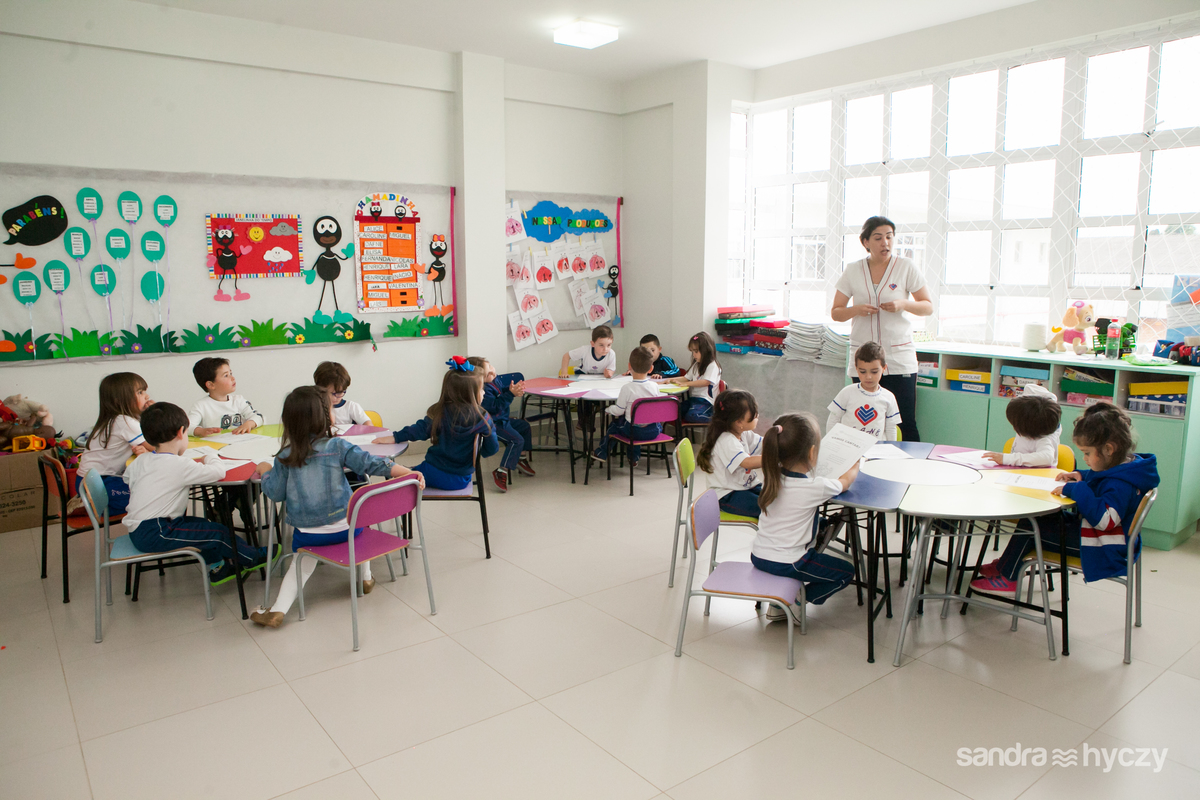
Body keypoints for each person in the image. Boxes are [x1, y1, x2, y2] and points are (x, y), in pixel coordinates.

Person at [250, 386, 423, 628]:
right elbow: (371, 463)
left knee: (302, 562)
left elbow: (275, 493)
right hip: (349, 529)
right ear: (325, 416)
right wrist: (408, 472)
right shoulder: (337, 446)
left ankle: (278, 610)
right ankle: (366, 578)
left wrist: (266, 471)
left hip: (309, 536)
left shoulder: (285, 456)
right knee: (362, 518)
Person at [971, 403, 1159, 593]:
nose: (1084, 458)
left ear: (1109, 449)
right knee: (1036, 519)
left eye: (1087, 453)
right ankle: (1005, 565)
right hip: (1097, 536)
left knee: (1032, 528)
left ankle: (1008, 577)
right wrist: (1081, 475)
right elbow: (1104, 477)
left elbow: (1105, 520)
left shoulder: (1121, 484)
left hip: (1104, 548)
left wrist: (1079, 489)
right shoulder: (1125, 468)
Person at [122, 402, 274, 586]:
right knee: (217, 533)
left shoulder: (141, 460)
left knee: (203, 526)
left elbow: (127, 478)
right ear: (181, 432)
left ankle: (218, 567)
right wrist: (210, 456)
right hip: (157, 531)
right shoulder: (179, 464)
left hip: (140, 528)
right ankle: (253, 558)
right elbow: (218, 472)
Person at [831, 216, 933, 441]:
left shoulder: (906, 267)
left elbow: (928, 307)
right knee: (862, 422)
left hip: (898, 358)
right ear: (865, 242)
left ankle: (908, 463)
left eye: (889, 237)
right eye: (878, 238)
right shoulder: (853, 270)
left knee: (904, 422)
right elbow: (836, 312)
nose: (885, 242)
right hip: (865, 360)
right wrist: (856, 309)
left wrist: (903, 304)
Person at [751, 412, 860, 622]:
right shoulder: (814, 487)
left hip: (759, 555)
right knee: (846, 572)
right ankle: (795, 601)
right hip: (790, 562)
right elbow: (846, 482)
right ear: (812, 453)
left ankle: (779, 603)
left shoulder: (771, 478)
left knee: (820, 526)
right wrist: (855, 463)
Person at [373, 357, 499, 490]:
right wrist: (480, 450)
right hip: (461, 479)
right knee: (407, 473)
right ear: (471, 394)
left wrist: (396, 437)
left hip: (432, 471)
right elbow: (492, 449)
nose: (484, 392)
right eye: (481, 389)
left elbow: (419, 430)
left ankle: (378, 491)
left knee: (398, 476)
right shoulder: (483, 418)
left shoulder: (441, 412)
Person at [76, 372, 152, 514]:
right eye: (140, 392)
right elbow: (157, 445)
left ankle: (89, 504)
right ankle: (92, 505)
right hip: (97, 485)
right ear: (119, 400)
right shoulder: (125, 422)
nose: (147, 396)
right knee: (153, 494)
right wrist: (154, 413)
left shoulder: (115, 419)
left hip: (88, 481)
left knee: (149, 489)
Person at [466, 356, 535, 493]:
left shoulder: (494, 380)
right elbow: (495, 406)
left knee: (524, 426)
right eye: (488, 373)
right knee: (516, 440)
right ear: (480, 378)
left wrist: (510, 389)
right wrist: (510, 394)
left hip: (504, 420)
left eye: (491, 367)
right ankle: (502, 470)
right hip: (494, 424)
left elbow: (500, 391)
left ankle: (520, 458)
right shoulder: (483, 390)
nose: (493, 372)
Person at [696, 389, 763, 518]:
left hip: (745, 486)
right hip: (728, 494)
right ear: (739, 422)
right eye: (754, 415)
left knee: (776, 501)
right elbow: (747, 462)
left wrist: (780, 441)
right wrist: (772, 458)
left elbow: (764, 444)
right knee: (769, 509)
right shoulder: (726, 440)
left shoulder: (743, 434)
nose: (757, 416)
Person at [591, 346, 662, 464]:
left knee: (615, 426)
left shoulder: (627, 388)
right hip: (654, 430)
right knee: (637, 421)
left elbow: (619, 411)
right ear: (651, 368)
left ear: (629, 366)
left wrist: (608, 409)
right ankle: (633, 457)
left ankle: (602, 452)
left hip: (634, 431)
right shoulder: (654, 386)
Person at [826, 342, 901, 441]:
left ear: (884, 368)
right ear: (856, 368)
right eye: (863, 371)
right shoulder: (847, 393)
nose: (868, 377)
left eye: (874, 372)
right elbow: (833, 420)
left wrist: (889, 448)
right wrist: (831, 442)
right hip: (848, 446)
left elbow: (891, 428)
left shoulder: (889, 397)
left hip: (876, 448)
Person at [983, 385, 1061, 467]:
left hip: (1037, 473)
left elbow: (1047, 458)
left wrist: (1007, 459)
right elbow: (1030, 387)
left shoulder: (1045, 439)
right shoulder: (1035, 423)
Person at [188, 357, 264, 436]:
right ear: (210, 385)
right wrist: (200, 431)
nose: (232, 378)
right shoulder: (200, 406)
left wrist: (249, 424)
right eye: (226, 375)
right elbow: (187, 428)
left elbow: (259, 417)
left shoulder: (238, 400)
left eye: (231, 373)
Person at [669, 332, 722, 423]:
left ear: (706, 350)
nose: (693, 355)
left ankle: (718, 420)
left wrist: (686, 384)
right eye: (692, 352)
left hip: (707, 402)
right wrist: (669, 380)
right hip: (694, 400)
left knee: (693, 416)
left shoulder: (713, 365)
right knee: (674, 411)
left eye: (696, 351)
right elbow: (685, 378)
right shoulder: (696, 365)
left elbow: (705, 382)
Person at [313, 361, 370, 427]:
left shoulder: (351, 407)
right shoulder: (315, 407)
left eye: (339, 393)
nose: (333, 398)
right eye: (328, 393)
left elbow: (368, 425)